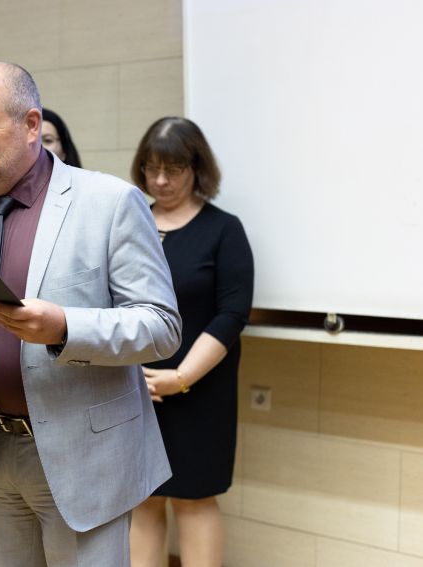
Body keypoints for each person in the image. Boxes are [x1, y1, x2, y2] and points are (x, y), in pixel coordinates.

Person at [0, 61, 182, 567]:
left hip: (84, 461)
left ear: (31, 125)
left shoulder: (110, 202)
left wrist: (65, 328)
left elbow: (161, 326)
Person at [128, 117, 254, 567]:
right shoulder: (130, 221)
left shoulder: (224, 230)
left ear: (197, 168)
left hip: (199, 389)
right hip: (135, 390)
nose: (160, 181)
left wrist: (179, 378)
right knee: (143, 498)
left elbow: (232, 314)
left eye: (173, 170)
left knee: (193, 498)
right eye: (151, 168)